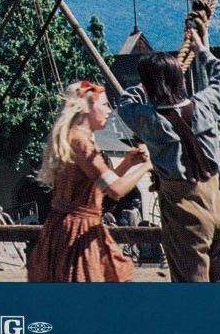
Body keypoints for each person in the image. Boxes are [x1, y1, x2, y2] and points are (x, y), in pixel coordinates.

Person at [115, 10, 220, 281]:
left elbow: (124, 103)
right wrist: (201, 50)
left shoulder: (151, 120)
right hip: (217, 204)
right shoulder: (204, 106)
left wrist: (144, 87)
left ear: (150, 86)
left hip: (184, 211)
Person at [27, 80, 153, 282]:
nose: (109, 111)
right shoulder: (82, 143)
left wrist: (128, 163)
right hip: (78, 232)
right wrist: (147, 166)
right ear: (86, 108)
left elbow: (98, 188)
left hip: (62, 227)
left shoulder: (73, 138)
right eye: (104, 105)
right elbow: (116, 190)